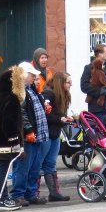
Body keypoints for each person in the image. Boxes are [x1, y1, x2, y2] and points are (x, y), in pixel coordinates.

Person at [11, 61, 50, 207]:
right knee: (24, 166)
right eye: (32, 75)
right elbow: (22, 113)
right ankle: (18, 194)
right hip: (29, 135)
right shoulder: (21, 91)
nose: (34, 77)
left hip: (36, 134)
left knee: (34, 166)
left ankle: (30, 193)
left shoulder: (31, 89)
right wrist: (28, 130)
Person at [0, 65, 25, 211]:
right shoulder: (11, 98)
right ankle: (2, 199)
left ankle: (3, 197)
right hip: (7, 141)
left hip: (0, 139)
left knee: (3, 168)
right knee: (4, 169)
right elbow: (9, 122)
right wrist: (15, 141)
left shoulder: (0, 97)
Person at [41, 72, 74, 201]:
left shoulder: (63, 96)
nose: (70, 85)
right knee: (39, 164)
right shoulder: (48, 94)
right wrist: (61, 118)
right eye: (68, 82)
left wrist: (65, 118)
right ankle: (33, 192)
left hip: (55, 133)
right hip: (47, 134)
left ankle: (54, 192)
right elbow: (46, 114)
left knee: (51, 163)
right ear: (61, 83)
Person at [80, 43, 106, 121]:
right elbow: (84, 86)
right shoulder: (89, 68)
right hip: (96, 110)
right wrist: (100, 91)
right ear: (100, 54)